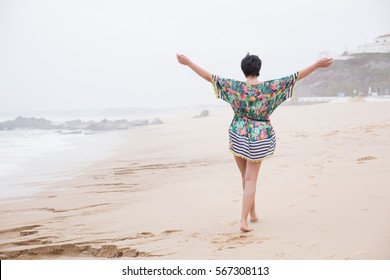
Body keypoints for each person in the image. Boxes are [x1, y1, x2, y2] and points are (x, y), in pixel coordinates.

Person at [177, 53, 333, 232]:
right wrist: (317, 64)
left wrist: (188, 63)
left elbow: (208, 77)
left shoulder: (234, 87)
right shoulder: (270, 87)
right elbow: (296, 76)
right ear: (259, 70)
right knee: (251, 178)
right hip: (260, 136)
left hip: (238, 134)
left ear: (243, 70)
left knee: (245, 177)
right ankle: (244, 220)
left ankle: (253, 214)